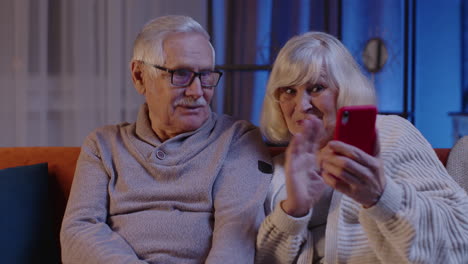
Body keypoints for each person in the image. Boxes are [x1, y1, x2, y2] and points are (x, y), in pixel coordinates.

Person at [60, 15, 272, 264]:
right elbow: (79, 231)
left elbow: (237, 236)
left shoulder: (238, 139)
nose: (197, 92)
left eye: (205, 75)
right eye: (180, 74)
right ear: (139, 76)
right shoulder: (103, 145)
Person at [255, 31, 468, 263]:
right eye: (289, 90)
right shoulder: (273, 169)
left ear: (344, 89)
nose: (302, 105)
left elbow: (460, 238)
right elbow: (260, 259)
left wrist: (381, 197)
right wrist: (292, 210)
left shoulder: (391, 134)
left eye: (316, 87)